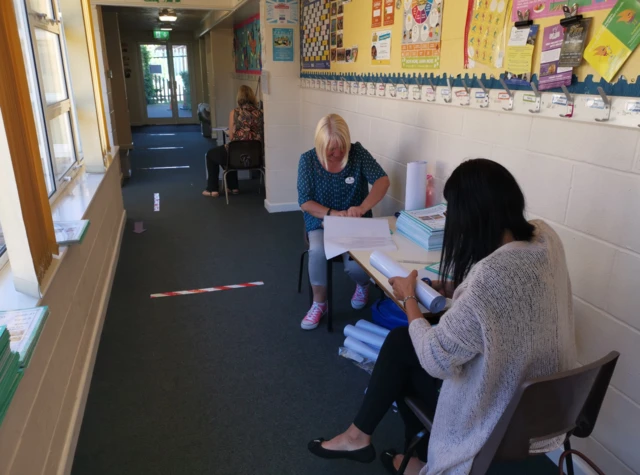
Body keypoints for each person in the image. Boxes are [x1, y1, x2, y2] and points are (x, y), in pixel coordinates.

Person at [308, 158, 576, 474]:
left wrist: (409, 298)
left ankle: (409, 454)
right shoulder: (545, 237)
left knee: (408, 352)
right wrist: (443, 287)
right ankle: (361, 437)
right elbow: (510, 298)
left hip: (496, 416)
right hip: (552, 406)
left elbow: (435, 357)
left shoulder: (489, 278)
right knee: (400, 342)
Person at [298, 114, 390, 330]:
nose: (338, 153)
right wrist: (330, 213)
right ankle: (319, 303)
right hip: (321, 222)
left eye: (342, 147)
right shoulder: (308, 161)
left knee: (355, 266)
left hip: (355, 223)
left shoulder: (357, 153)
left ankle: (362, 284)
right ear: (320, 145)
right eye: (331, 149)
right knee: (318, 252)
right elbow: (305, 201)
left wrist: (363, 207)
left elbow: (382, 180)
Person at [203, 85, 263, 197]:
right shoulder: (260, 113)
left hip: (237, 154)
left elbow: (231, 136)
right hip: (256, 155)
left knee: (212, 154)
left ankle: (212, 189)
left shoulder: (235, 113)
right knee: (226, 153)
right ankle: (232, 186)